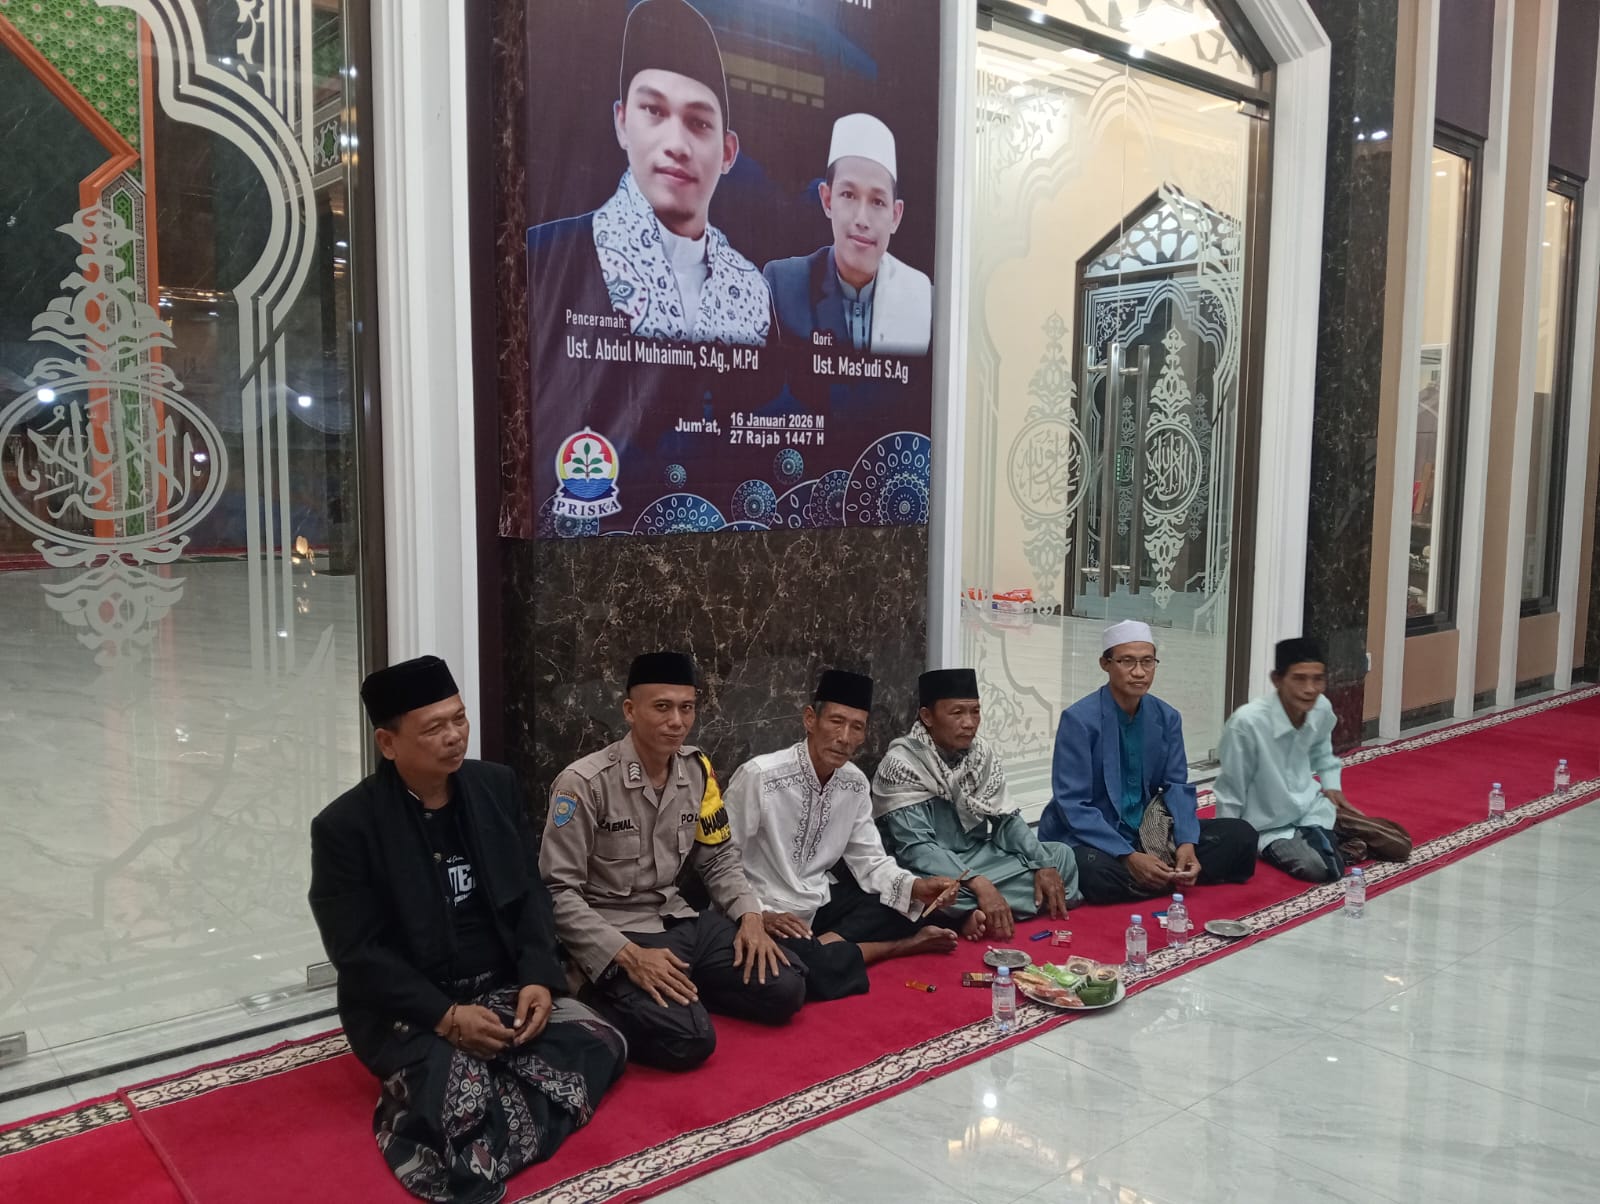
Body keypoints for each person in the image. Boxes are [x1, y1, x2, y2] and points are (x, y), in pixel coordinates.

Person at [309, 656, 625, 1204]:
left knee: (604, 1040)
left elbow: (530, 891)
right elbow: (356, 953)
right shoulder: (346, 827)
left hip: (499, 986)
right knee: (461, 1114)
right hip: (412, 1010)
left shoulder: (494, 785)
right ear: (388, 743)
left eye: (459, 718)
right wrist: (447, 1017)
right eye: (434, 727)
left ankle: (480, 1103)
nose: (455, 736)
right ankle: (471, 1100)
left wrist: (537, 976)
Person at [539, 651, 805, 1071]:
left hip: (677, 919)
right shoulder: (584, 783)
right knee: (689, 1040)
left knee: (786, 987)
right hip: (619, 932)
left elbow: (718, 857)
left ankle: (681, 989)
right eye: (662, 707)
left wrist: (750, 916)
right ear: (630, 710)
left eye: (687, 708)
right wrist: (627, 956)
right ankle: (591, 992)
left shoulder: (695, 770)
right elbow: (557, 893)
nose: (677, 721)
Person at [526, 0, 769, 347]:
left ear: (727, 153)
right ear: (622, 123)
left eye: (699, 123)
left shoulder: (754, 293)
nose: (677, 145)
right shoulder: (545, 256)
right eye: (654, 110)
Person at [723, 669, 966, 1001]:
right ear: (810, 719)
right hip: (764, 910)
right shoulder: (760, 776)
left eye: (857, 727)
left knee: (904, 905)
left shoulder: (854, 783)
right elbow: (723, 862)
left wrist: (916, 887)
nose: (845, 737)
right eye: (836, 722)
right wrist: (760, 914)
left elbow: (870, 861)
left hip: (818, 905)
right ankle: (898, 947)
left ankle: (822, 948)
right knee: (785, 976)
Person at [1039, 620, 1258, 904]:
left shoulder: (1166, 717)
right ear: (1105, 664)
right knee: (1094, 870)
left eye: (1147, 661)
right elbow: (1072, 804)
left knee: (1242, 836)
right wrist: (1127, 856)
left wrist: (1187, 843)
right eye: (1127, 661)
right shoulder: (1079, 720)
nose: (1139, 672)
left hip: (1149, 831)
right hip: (1094, 836)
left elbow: (1177, 786)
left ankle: (1157, 876)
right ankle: (1163, 876)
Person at [871, 668, 1080, 939]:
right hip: (931, 867)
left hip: (980, 857)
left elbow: (1006, 820)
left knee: (1061, 856)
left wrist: (1042, 863)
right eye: (957, 713)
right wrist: (979, 883)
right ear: (927, 716)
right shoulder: (901, 764)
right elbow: (917, 849)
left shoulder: (981, 755)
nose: (969, 723)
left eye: (975, 712)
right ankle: (981, 910)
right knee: (932, 892)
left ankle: (977, 914)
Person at [1211, 637, 1412, 881]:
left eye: (1318, 679)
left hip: (1312, 809)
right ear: (1277, 680)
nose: (1310, 689)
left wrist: (1332, 787)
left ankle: (1332, 836)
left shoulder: (1320, 708)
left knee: (1400, 845)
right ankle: (1335, 843)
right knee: (1320, 868)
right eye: (1299, 679)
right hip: (1270, 826)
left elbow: (1322, 751)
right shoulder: (1247, 724)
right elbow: (1230, 789)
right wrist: (1229, 843)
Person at [763, 112, 932, 355]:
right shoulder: (783, 285)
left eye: (877, 202)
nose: (862, 219)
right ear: (827, 200)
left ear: (895, 216)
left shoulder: (922, 298)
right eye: (849, 195)